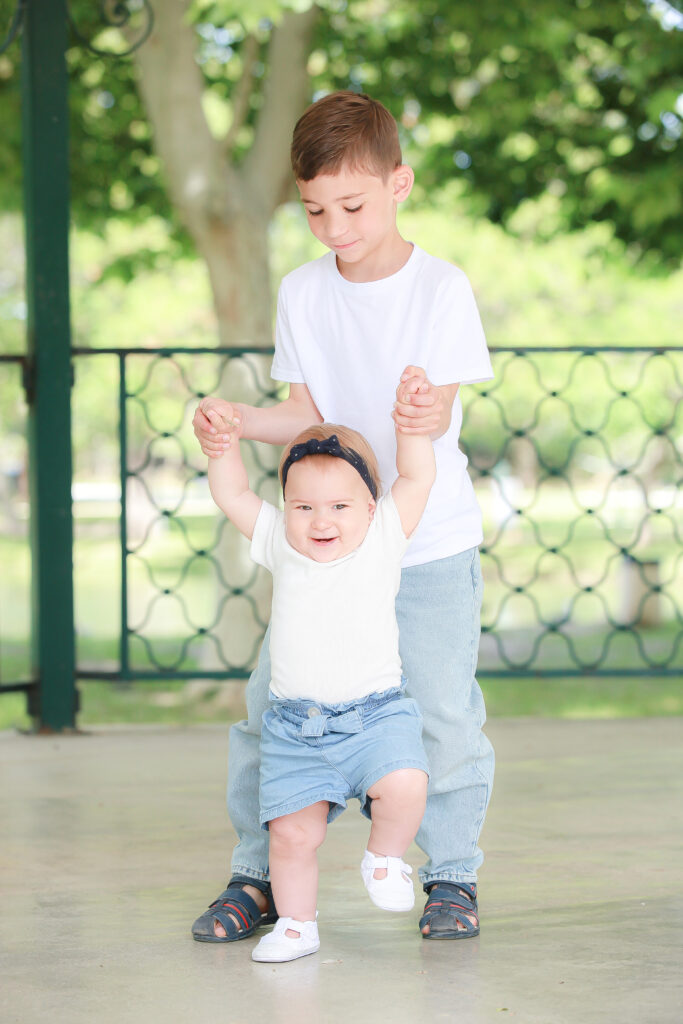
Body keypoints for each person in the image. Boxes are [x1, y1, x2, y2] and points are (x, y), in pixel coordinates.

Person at [191, 90, 494, 945]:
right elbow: (309, 412)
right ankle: (258, 872)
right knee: (270, 708)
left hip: (422, 540)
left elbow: (435, 418)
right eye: (314, 210)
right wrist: (243, 422)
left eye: (351, 206)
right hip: (323, 544)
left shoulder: (440, 288)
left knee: (438, 712)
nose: (332, 227)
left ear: (399, 183)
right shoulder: (302, 291)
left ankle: (450, 876)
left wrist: (423, 416)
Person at [205, 411, 435, 962]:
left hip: (376, 718)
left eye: (339, 507)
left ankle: (384, 856)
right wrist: (221, 447)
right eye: (303, 507)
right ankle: (296, 925)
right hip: (295, 728)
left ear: (371, 508)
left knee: (406, 782)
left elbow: (418, 477)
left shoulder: (383, 539)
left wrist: (411, 427)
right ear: (287, 509)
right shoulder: (279, 542)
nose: (320, 521)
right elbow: (233, 491)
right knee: (291, 837)